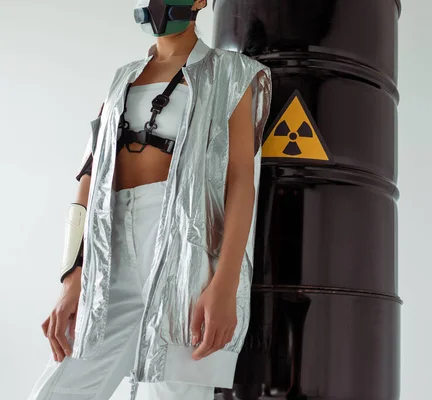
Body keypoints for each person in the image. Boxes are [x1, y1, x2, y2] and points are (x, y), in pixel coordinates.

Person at [28, 0, 272, 399]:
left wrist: (225, 286)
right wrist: (72, 278)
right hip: (111, 252)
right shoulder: (122, 78)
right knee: (59, 391)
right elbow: (90, 176)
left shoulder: (233, 73)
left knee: (176, 393)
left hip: (188, 249)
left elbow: (241, 182)